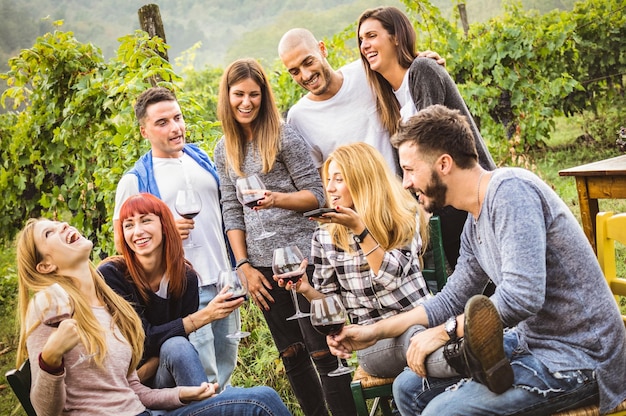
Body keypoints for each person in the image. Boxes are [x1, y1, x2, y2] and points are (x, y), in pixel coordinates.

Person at [327, 105, 626, 415]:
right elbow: (450, 300)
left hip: (582, 357)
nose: (405, 183)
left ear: (443, 164)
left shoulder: (511, 192)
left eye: (410, 170)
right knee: (408, 389)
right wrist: (373, 332)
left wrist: (443, 332)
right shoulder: (474, 221)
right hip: (530, 342)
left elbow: (523, 296)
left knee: (439, 413)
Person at [14, 218, 292, 416]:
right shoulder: (48, 304)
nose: (62, 225)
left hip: (143, 411)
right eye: (49, 233)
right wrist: (50, 359)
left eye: (57, 222)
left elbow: (133, 389)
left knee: (260, 399)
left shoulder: (107, 304)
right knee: (261, 402)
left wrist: (182, 395)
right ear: (45, 265)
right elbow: (44, 411)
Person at [214, 57, 355, 416]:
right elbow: (231, 210)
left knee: (323, 350)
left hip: (304, 258)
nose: (246, 102)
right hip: (261, 267)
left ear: (264, 97)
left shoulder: (282, 135)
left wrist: (275, 199)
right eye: (239, 94)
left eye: (254, 95)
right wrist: (243, 264)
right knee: (292, 357)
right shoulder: (223, 149)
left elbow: (316, 195)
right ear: (227, 97)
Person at [277, 142, 464, 380]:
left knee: (415, 340)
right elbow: (332, 306)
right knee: (415, 338)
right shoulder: (324, 236)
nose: (330, 188)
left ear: (362, 181)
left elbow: (391, 276)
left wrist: (360, 230)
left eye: (339, 179)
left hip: (419, 318)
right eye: (328, 180)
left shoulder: (402, 216)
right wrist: (305, 289)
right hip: (372, 342)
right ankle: (470, 360)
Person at [113, 87, 238, 389]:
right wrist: (166, 234)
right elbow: (123, 243)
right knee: (202, 375)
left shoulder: (200, 157)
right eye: (162, 122)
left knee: (227, 365)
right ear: (144, 130)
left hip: (223, 280)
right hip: (185, 289)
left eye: (177, 118)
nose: (175, 127)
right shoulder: (135, 179)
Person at [356, 6, 497, 268]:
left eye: (372, 36)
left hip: (469, 195)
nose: (365, 45)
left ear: (396, 36)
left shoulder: (422, 70)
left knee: (487, 277)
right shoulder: (389, 98)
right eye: (361, 40)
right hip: (445, 202)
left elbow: (429, 147)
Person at [99, 193, 244, 389]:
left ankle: (204, 404)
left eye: (145, 220)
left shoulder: (186, 279)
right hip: (121, 387)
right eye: (129, 225)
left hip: (162, 380)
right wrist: (205, 316)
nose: (138, 231)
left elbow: (174, 345)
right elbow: (143, 340)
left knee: (176, 346)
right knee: (175, 345)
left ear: (164, 225)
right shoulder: (112, 275)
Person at [277, 27, 445, 177]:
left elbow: (409, 87)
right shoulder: (298, 117)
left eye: (308, 62)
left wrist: (428, 65)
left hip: (406, 195)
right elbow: (322, 178)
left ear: (322, 49)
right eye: (295, 71)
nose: (305, 75)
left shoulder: (367, 72)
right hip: (359, 210)